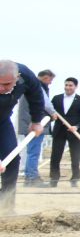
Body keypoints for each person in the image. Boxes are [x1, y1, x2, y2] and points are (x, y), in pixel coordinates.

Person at [0, 61, 49, 211]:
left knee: (12, 160)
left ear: (17, 78)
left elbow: (36, 96)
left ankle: (6, 206)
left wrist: (36, 121)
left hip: (2, 121)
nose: (1, 88)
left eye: (6, 84)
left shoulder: (26, 75)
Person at [49, 76, 80, 187]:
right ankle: (54, 179)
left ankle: (75, 178)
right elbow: (50, 112)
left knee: (75, 156)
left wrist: (77, 126)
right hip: (59, 130)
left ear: (76, 87)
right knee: (55, 155)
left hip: (74, 131)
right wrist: (52, 116)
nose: (68, 87)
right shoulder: (56, 98)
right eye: (66, 85)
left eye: (70, 85)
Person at [21, 69, 54, 185]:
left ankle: (29, 176)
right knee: (34, 151)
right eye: (50, 80)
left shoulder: (28, 84)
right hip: (35, 124)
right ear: (46, 78)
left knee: (31, 151)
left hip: (28, 122)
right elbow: (44, 102)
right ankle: (31, 177)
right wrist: (53, 113)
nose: (50, 83)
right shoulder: (37, 86)